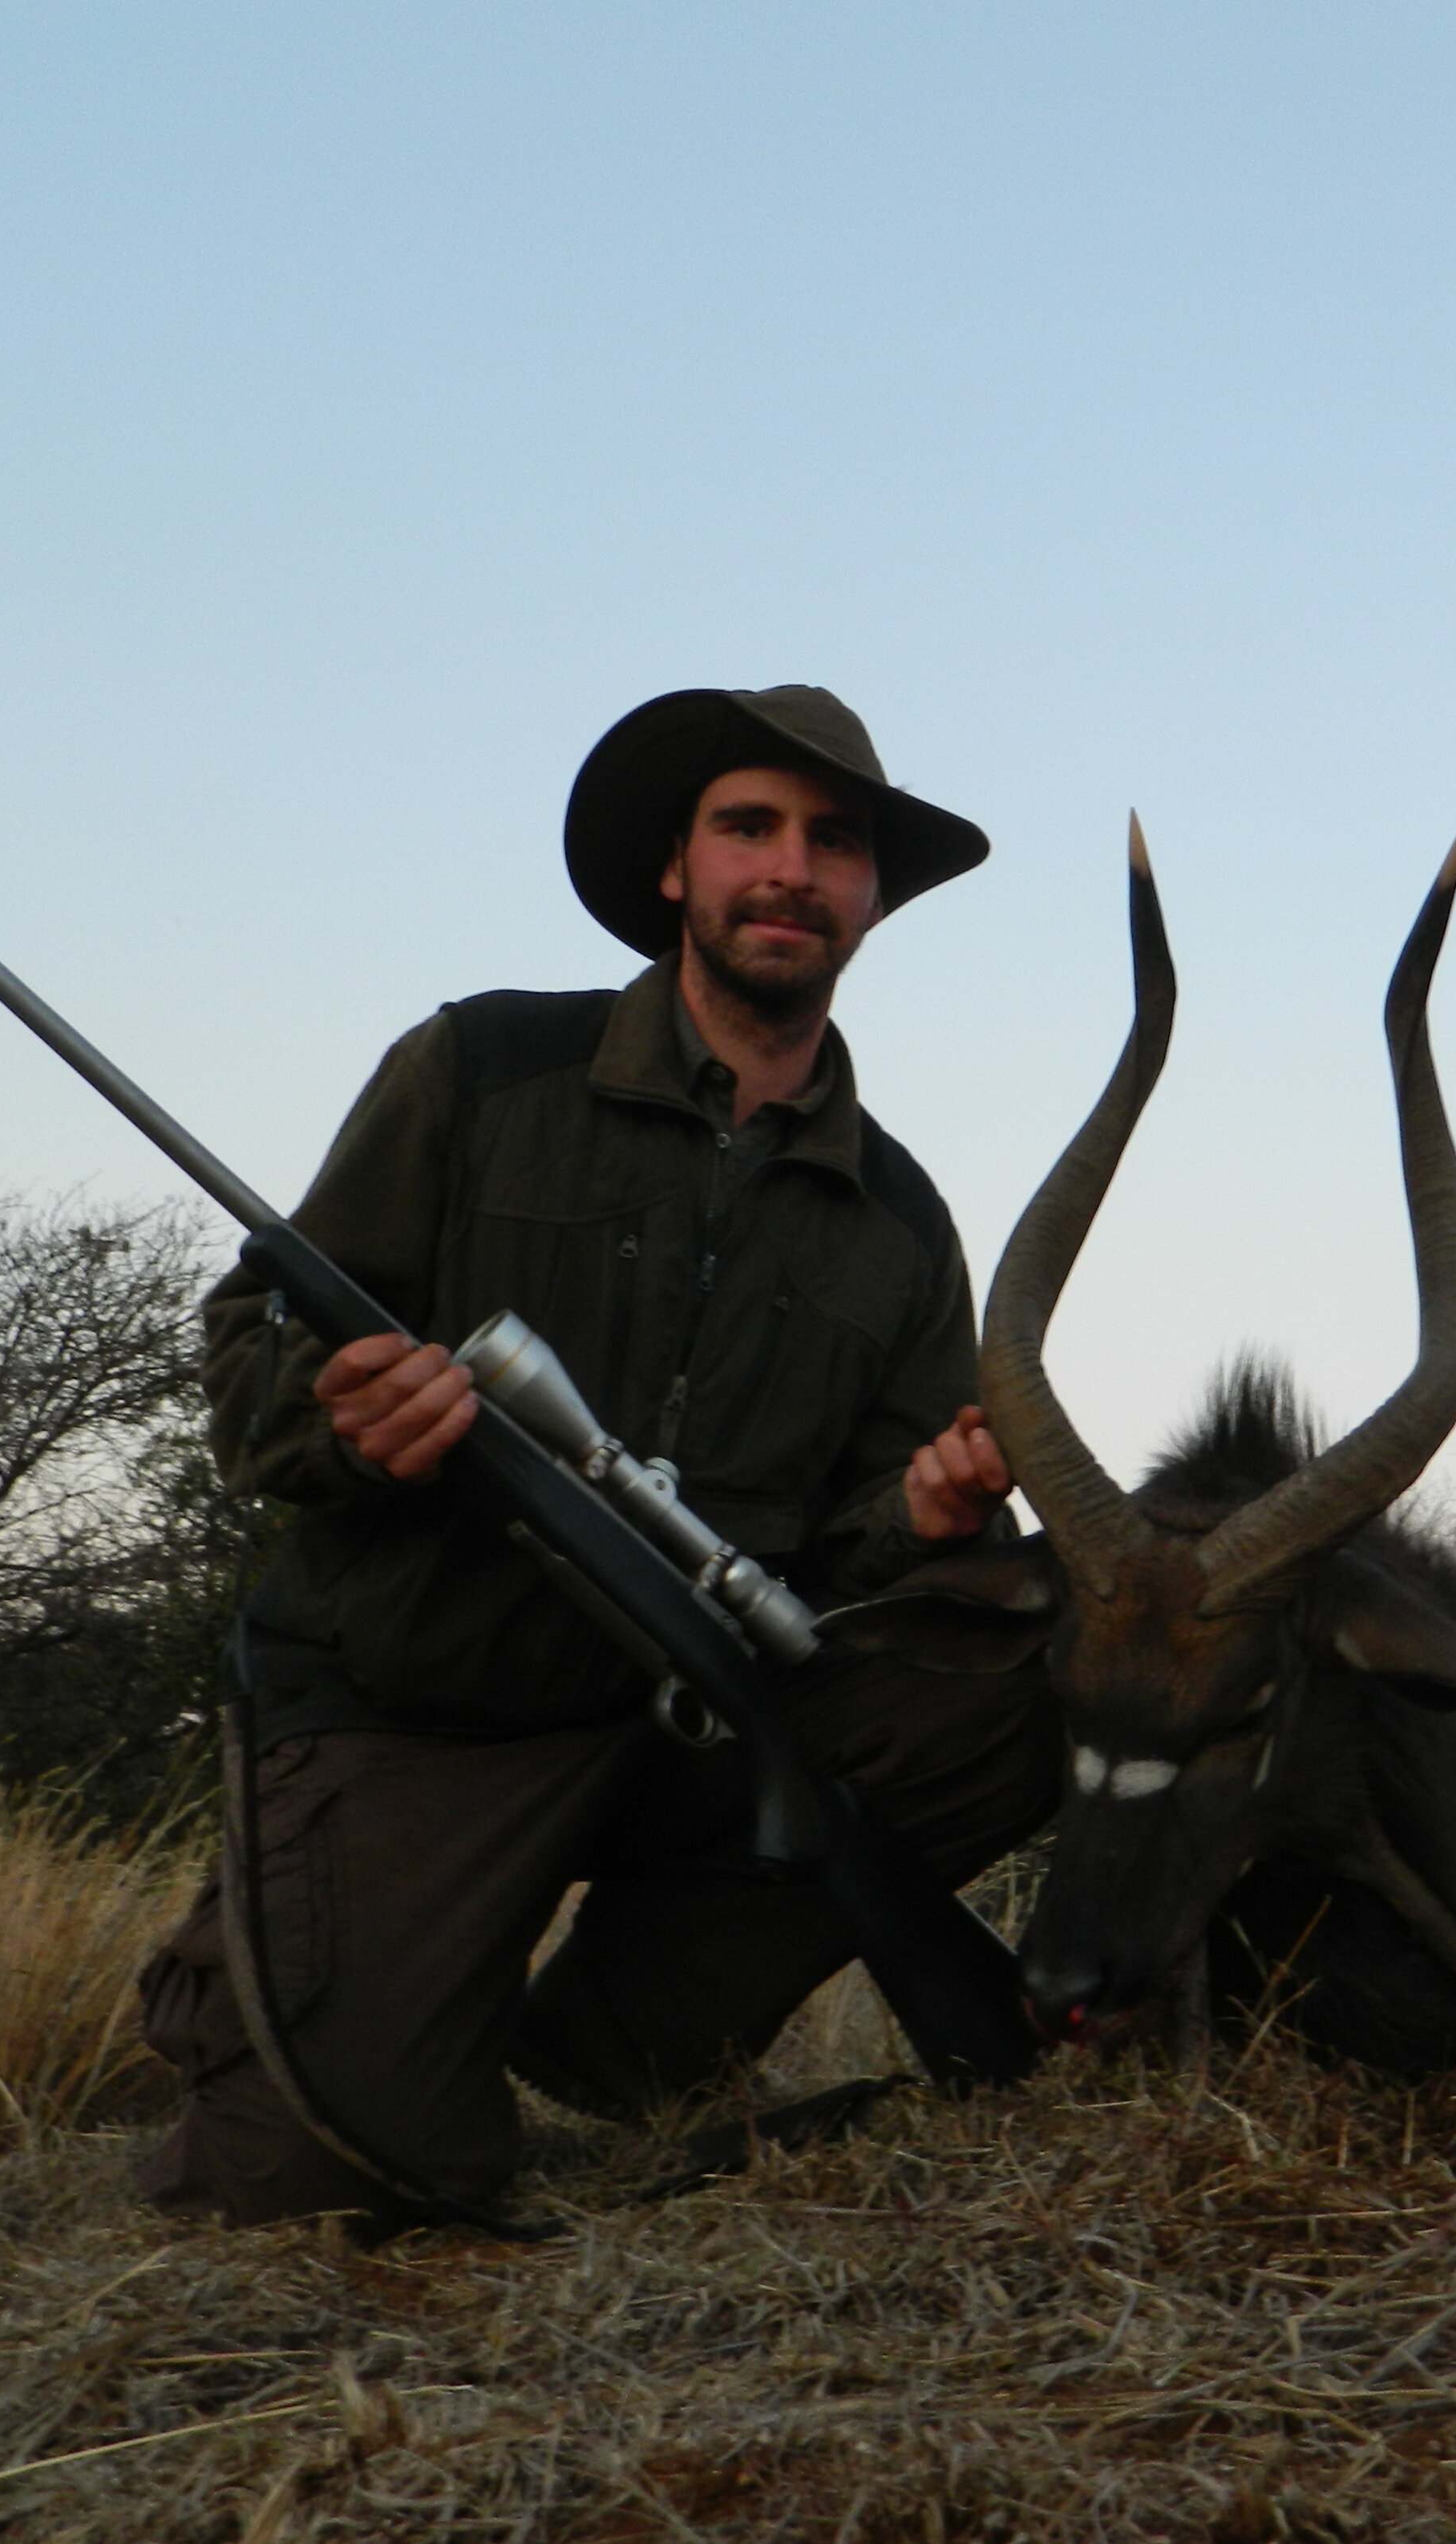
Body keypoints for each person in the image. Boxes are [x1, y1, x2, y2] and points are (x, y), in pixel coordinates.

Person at [133, 684, 1058, 2232]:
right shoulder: (478, 1068)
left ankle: (634, 2039)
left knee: (1043, 1647)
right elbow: (250, 1355)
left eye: (834, 844)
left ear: (872, 899)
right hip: (421, 1714)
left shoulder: (902, 1222)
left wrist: (924, 1512)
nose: (791, 869)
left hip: (694, 1727)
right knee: (338, 2189)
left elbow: (848, 1573)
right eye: (748, 827)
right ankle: (317, 1988)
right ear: (673, 872)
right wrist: (348, 1420)